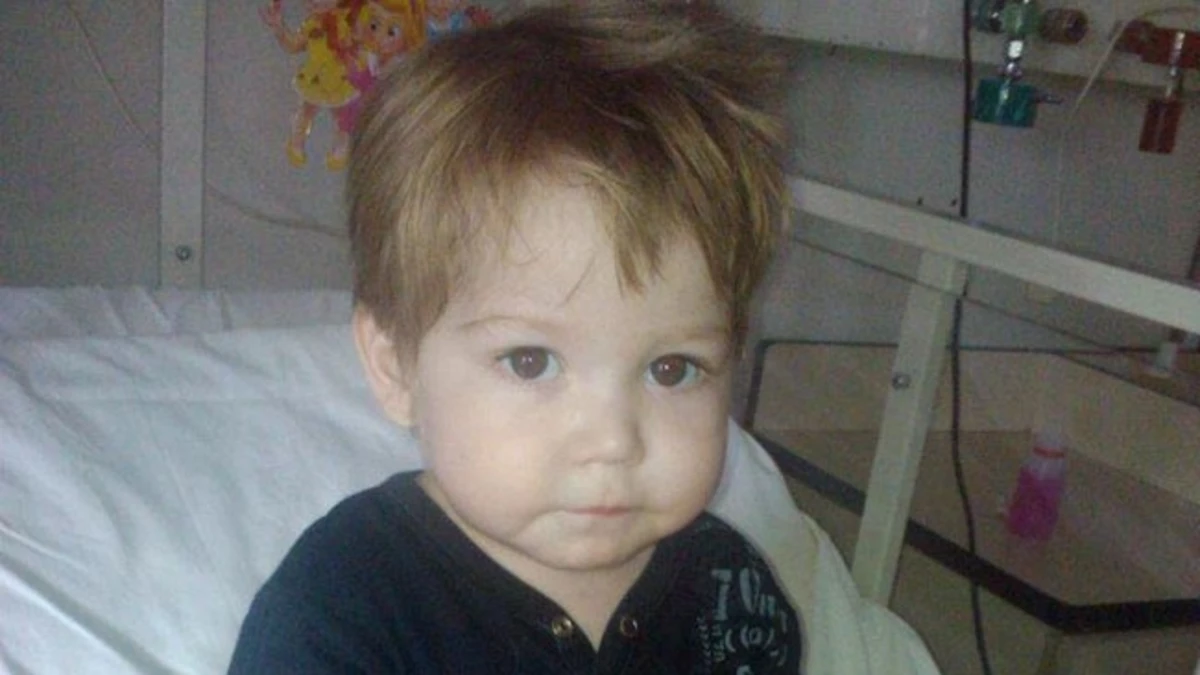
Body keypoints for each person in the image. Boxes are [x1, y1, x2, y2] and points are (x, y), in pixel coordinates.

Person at [228, 1, 801, 672]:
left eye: (672, 368)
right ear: (396, 367)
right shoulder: (342, 604)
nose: (612, 440)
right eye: (531, 361)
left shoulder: (732, 593)